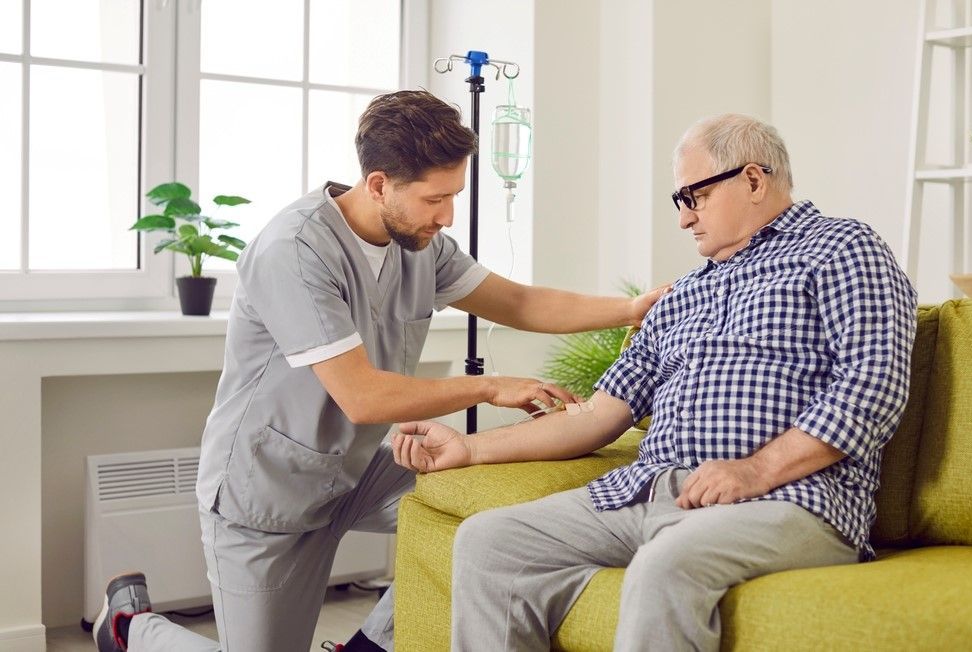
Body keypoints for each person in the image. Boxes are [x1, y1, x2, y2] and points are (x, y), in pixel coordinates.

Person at [91, 90, 668, 652]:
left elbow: (516, 303)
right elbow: (362, 397)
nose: (446, 217)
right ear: (378, 185)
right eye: (434, 199)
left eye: (454, 197)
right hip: (270, 486)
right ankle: (130, 628)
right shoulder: (294, 250)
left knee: (489, 509)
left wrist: (628, 308)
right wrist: (494, 385)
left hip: (368, 467)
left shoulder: (420, 243)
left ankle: (368, 645)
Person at [391, 114, 919, 651]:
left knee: (667, 562)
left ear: (754, 180)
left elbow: (873, 385)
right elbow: (598, 416)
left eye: (695, 197)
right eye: (679, 202)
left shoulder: (842, 248)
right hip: (650, 492)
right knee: (489, 541)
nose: (684, 219)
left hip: (790, 499)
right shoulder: (681, 296)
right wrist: (468, 447)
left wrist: (756, 469)